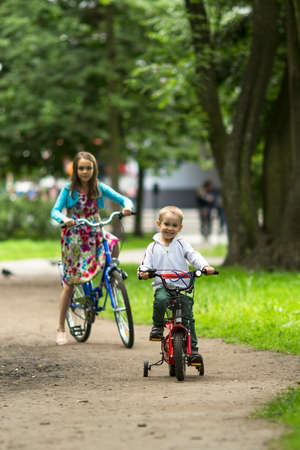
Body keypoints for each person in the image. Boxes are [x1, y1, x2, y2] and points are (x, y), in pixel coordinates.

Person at [51, 151, 134, 345]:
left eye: (88, 168)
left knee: (114, 243)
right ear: (76, 170)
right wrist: (64, 219)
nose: (85, 171)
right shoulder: (69, 189)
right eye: (81, 168)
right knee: (71, 282)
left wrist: (127, 207)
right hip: (74, 238)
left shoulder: (98, 187)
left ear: (94, 169)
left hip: (94, 232)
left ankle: (108, 276)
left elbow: (123, 199)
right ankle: (61, 328)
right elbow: (54, 210)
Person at [138, 205, 215, 361]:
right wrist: (144, 272)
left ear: (180, 228)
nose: (170, 228)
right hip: (163, 286)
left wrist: (204, 266)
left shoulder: (181, 244)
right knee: (160, 300)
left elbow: (193, 256)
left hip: (182, 287)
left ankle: (193, 351)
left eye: (174, 225)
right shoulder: (152, 247)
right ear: (159, 224)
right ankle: (158, 326)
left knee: (188, 318)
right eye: (166, 224)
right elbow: (145, 263)